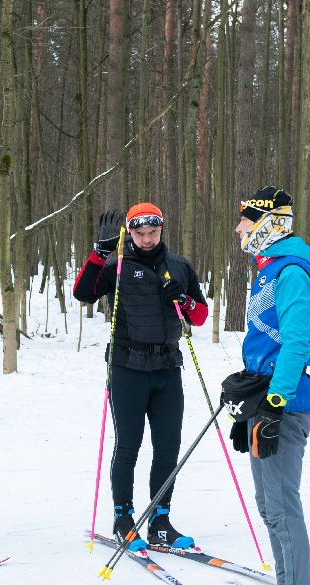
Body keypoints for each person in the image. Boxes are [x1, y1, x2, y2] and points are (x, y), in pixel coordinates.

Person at [73, 202, 209, 551]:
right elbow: (83, 293)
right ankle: (124, 519)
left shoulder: (179, 266)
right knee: (128, 445)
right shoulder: (116, 267)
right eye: (140, 233)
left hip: (167, 369)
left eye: (153, 232)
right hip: (127, 368)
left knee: (168, 446)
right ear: (130, 233)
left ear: (161, 230)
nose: (147, 239)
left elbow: (200, 316)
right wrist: (99, 253)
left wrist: (184, 301)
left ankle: (160, 521)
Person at [226, 186, 310, 585]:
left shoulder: (292, 271)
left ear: (268, 224)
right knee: (268, 507)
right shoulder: (268, 268)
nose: (238, 229)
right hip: (262, 399)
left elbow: (297, 344)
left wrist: (275, 405)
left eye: (245, 221)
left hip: (284, 404)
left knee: (284, 505)